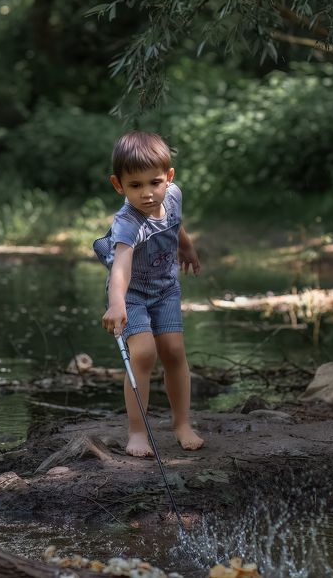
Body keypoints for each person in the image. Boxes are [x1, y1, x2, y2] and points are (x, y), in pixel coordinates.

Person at [93, 130, 205, 457]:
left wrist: (187, 249)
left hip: (166, 289)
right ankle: (138, 431)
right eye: (135, 186)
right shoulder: (127, 223)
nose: (147, 194)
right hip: (131, 295)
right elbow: (121, 268)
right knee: (142, 353)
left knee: (173, 349)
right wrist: (116, 304)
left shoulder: (173, 196)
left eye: (154, 183)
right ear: (119, 185)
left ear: (168, 178)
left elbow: (176, 224)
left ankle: (182, 423)